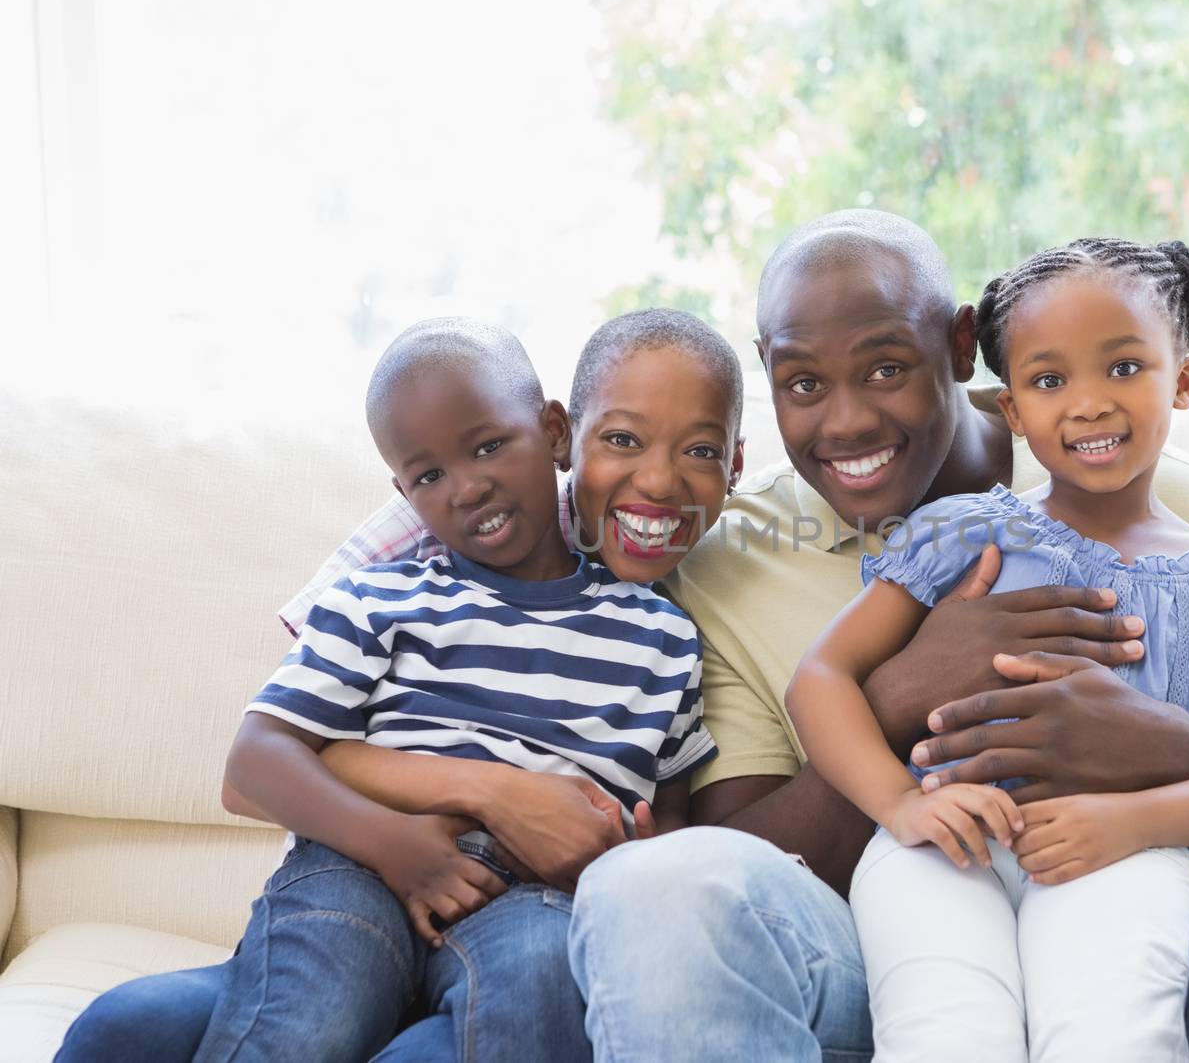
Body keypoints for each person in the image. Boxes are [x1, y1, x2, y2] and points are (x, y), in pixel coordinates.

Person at [564, 211, 1189, 1063]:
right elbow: (743, 862)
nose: (846, 420)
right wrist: (901, 695)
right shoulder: (730, 554)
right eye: (804, 383)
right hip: (889, 934)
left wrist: (1166, 749)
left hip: (1146, 917)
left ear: (964, 350)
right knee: (656, 886)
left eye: (887, 368)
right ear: (769, 371)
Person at [54, 310, 746, 1063]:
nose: (470, 486)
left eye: (488, 447)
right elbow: (254, 762)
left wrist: (631, 853)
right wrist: (397, 847)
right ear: (403, 489)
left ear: (551, 434)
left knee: (543, 979)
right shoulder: (381, 596)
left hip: (535, 904)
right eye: (430, 475)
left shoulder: (664, 637)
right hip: (364, 867)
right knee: (295, 1016)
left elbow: (666, 813)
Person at [787, 237, 1189, 1060]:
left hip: (1125, 846)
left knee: (1113, 1034)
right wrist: (902, 803)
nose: (1089, 403)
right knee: (943, 1033)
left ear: (1186, 380)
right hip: (944, 841)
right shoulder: (965, 529)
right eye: (1049, 380)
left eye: (1125, 368)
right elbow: (821, 678)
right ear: (1012, 412)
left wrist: (1136, 820)